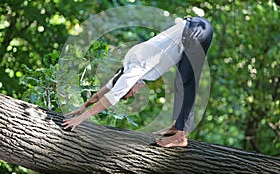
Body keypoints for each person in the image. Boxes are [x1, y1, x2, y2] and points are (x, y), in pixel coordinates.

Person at [62, 16, 213, 148]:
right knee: (181, 80)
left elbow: (109, 98)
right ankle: (177, 126)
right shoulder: (126, 67)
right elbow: (108, 88)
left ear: (127, 87)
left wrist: (81, 118)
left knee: (185, 82)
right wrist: (84, 105)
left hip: (196, 32)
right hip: (195, 28)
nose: (136, 92)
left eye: (130, 93)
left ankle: (181, 136)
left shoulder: (133, 71)